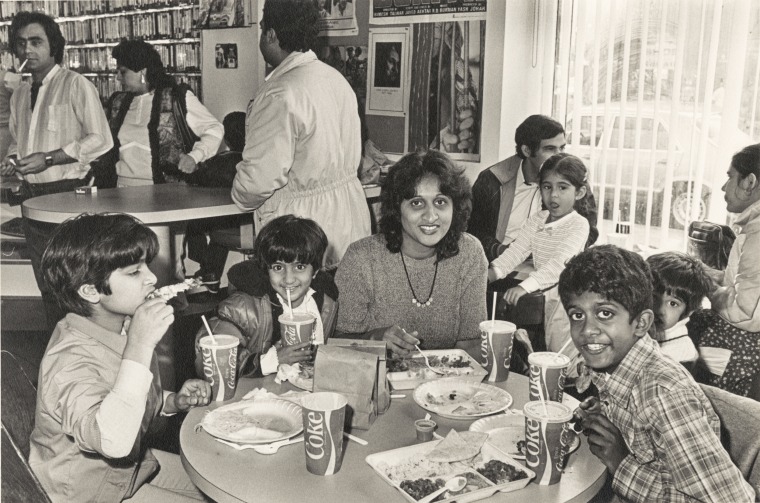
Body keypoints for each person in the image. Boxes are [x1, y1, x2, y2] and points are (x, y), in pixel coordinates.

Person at [29, 213, 210, 502]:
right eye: (134, 271)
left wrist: (170, 401)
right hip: (85, 493)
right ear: (90, 291)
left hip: (126, 472)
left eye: (146, 265)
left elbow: (125, 396)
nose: (151, 277)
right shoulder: (68, 361)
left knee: (215, 484)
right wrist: (139, 345)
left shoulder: (121, 326)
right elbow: (112, 440)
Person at [559, 245, 754, 502]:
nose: (587, 330)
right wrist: (601, 413)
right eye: (577, 315)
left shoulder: (664, 394)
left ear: (641, 323)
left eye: (604, 313)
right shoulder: (614, 362)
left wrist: (622, 463)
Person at [232, 0, 370, 268]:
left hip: (302, 230)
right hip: (349, 219)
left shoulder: (280, 92)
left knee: (298, 308)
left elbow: (259, 179)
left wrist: (239, 194)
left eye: (262, 29)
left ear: (271, 34)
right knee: (341, 305)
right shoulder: (335, 79)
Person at [0, 11, 113, 333]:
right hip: (33, 198)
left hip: (69, 195)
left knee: (78, 284)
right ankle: (59, 356)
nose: (27, 51)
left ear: (54, 46)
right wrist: (13, 159)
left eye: (36, 42)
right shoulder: (21, 91)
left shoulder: (76, 84)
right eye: (20, 44)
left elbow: (101, 140)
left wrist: (49, 159)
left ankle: (89, 357)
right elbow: (18, 139)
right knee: (47, 284)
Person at [335, 150, 487, 358]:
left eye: (441, 202)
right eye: (417, 203)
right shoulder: (361, 258)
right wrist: (374, 339)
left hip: (446, 385)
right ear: (397, 210)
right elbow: (335, 343)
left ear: (455, 207)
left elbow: (471, 345)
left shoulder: (470, 253)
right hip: (375, 382)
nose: (431, 216)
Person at [489, 153, 597, 372]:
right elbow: (516, 251)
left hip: (567, 297)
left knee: (560, 358)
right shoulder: (537, 219)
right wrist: (491, 272)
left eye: (562, 188)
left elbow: (559, 264)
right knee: (532, 353)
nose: (553, 195)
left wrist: (523, 286)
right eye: (547, 187)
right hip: (541, 291)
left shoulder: (578, 225)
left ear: (580, 192)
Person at [194, 215, 337, 378]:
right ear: (266, 270)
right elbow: (206, 364)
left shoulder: (324, 303)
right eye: (277, 267)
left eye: (299, 266)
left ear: (315, 271)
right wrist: (271, 360)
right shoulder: (243, 307)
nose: (288, 279)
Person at [689, 143, 760, 400]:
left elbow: (743, 311)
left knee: (679, 344)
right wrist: (706, 271)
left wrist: (705, 283)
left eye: (730, 177)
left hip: (746, 349)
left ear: (749, 181)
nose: (723, 187)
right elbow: (747, 284)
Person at [101, 39, 223, 187]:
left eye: (123, 71)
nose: (118, 77)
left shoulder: (175, 98)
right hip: (120, 192)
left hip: (166, 196)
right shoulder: (117, 103)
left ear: (142, 71)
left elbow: (214, 129)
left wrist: (195, 156)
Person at [468, 114, 566, 262]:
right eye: (550, 149)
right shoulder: (492, 180)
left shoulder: (571, 179)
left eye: (562, 148)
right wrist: (501, 250)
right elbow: (473, 232)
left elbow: (588, 228)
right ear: (527, 150)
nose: (559, 156)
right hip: (501, 269)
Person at [646, 251, 714, 366]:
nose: (659, 309)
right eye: (654, 296)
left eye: (673, 303)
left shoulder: (683, 353)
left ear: (688, 312)